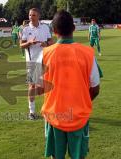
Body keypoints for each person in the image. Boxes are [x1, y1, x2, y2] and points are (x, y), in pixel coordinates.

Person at [41, 10, 100, 159]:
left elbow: (34, 86)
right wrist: (81, 101)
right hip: (79, 116)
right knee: (78, 155)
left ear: (54, 31)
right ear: (74, 28)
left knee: (56, 156)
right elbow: (95, 88)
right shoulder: (88, 53)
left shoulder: (43, 53)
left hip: (54, 116)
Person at [20, 8, 53, 120]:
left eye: (33, 15)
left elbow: (51, 42)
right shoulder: (25, 29)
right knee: (32, 86)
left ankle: (47, 109)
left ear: (38, 16)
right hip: (32, 61)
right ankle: (32, 112)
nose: (31, 17)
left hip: (46, 59)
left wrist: (46, 44)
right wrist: (29, 42)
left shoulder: (45, 27)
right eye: (30, 15)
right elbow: (21, 45)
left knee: (47, 85)